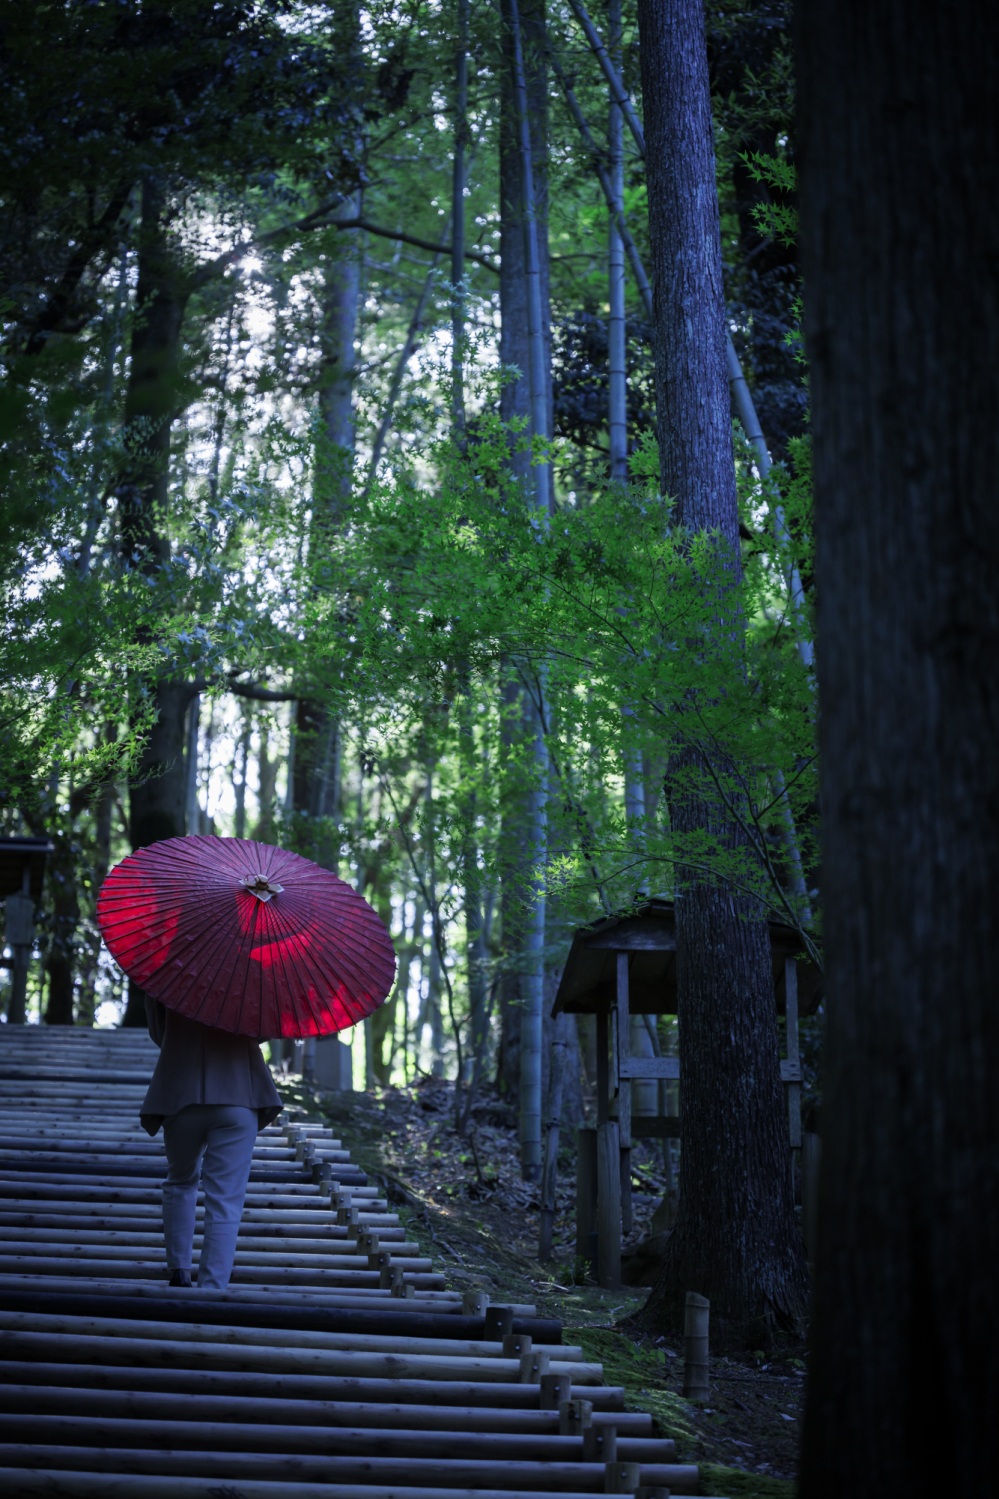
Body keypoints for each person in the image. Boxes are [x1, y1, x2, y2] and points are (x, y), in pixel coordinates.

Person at [140, 997, 283, 1290]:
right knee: (226, 1197)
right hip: (238, 1093)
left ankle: (179, 1269)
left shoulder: (166, 974)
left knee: (180, 1180)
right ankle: (212, 1287)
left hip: (182, 1091)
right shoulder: (252, 976)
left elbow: (158, 1033)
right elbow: (264, 1031)